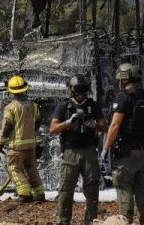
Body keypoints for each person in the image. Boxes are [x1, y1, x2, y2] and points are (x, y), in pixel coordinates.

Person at [101, 63, 144, 225]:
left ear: (124, 79)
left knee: (123, 186)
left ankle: (126, 219)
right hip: (142, 149)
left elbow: (115, 125)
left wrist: (105, 148)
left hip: (126, 152)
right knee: (141, 186)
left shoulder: (123, 97)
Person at [49, 74, 102, 225]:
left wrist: (94, 124)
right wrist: (67, 122)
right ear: (71, 91)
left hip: (89, 150)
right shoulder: (63, 106)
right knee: (66, 189)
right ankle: (64, 220)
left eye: (83, 90)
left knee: (92, 188)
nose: (80, 95)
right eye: (77, 91)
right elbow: (52, 128)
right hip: (70, 152)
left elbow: (105, 126)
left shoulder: (92, 105)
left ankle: (91, 220)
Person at [0, 74, 44, 202]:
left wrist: (1, 142)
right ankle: (39, 193)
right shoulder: (33, 106)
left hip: (17, 147)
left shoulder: (11, 107)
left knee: (14, 168)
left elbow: (7, 126)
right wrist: (32, 132)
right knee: (32, 169)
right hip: (31, 145)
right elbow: (38, 121)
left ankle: (24, 194)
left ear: (11, 92)